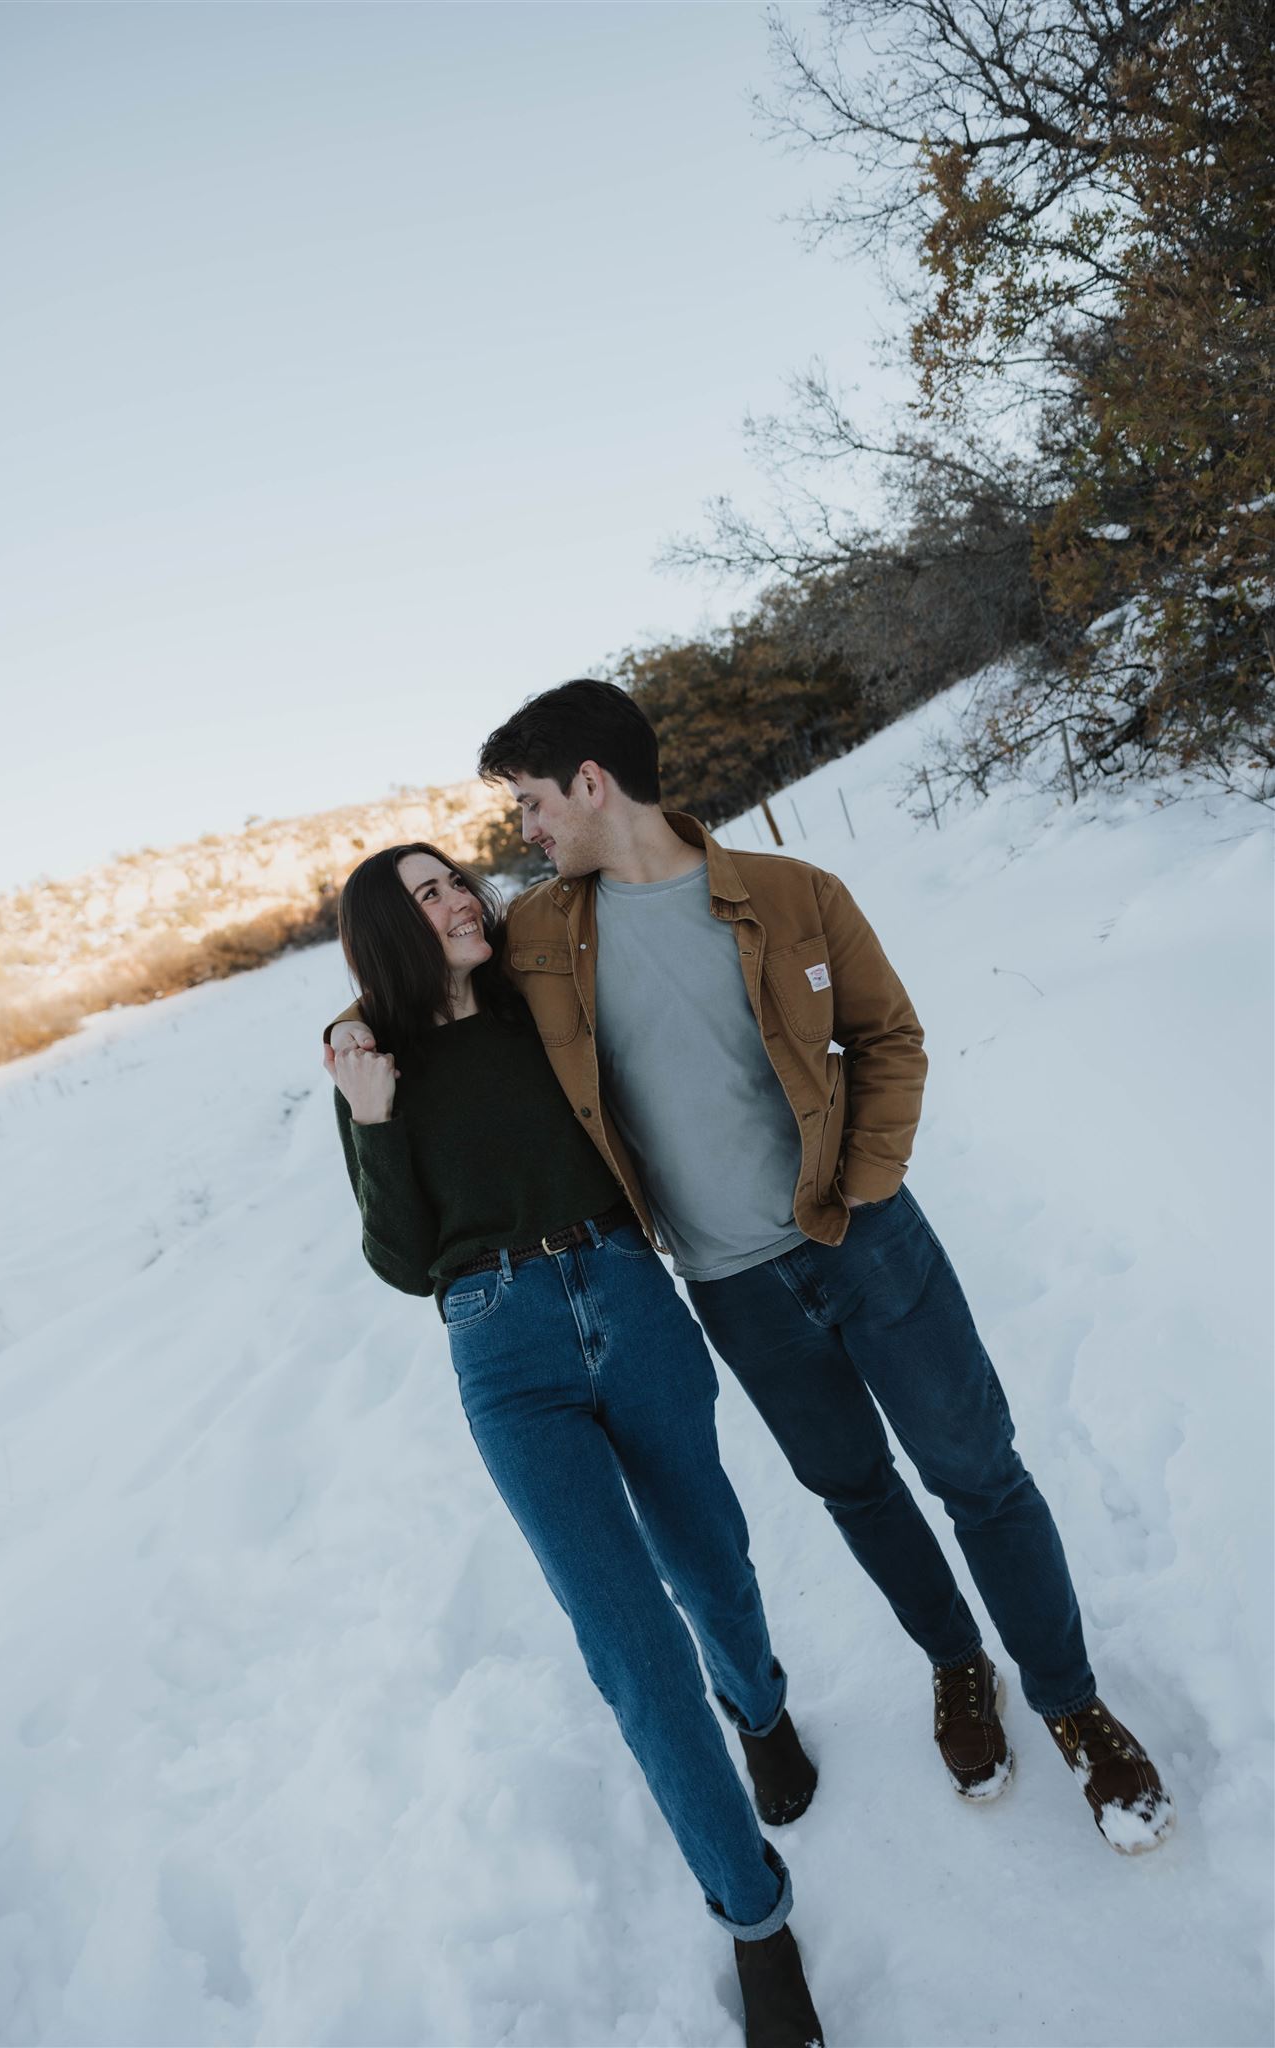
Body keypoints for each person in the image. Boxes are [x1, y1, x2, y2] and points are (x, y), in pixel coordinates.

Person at [327, 683, 1174, 1858]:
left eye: (529, 800)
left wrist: (864, 1185)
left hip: (868, 1245)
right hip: (729, 1287)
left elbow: (890, 1037)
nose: (520, 833)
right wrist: (352, 1045)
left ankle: (1073, 1699)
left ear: (589, 781)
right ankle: (954, 1662)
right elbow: (423, 992)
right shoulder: (540, 937)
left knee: (977, 1470)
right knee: (857, 1488)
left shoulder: (792, 894)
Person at [323, 840, 826, 2048]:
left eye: (456, 880)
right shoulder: (366, 1059)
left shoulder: (541, 1000)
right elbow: (400, 1259)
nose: (458, 899)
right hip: (503, 1348)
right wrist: (376, 1120)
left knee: (709, 1550)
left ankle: (758, 1707)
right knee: (627, 1639)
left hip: (628, 1289)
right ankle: (756, 1920)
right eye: (426, 895)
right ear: (385, 936)